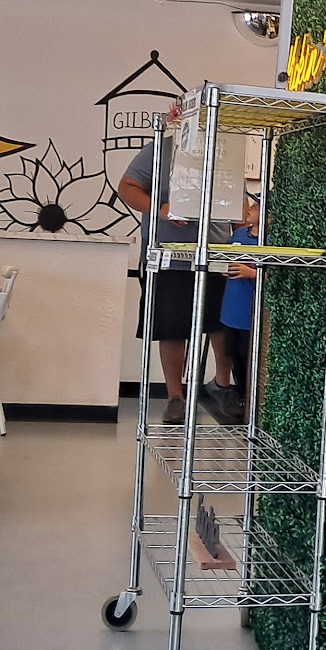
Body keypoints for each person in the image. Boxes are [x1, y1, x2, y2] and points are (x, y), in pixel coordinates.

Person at [117, 101, 226, 426]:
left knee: (221, 324)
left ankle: (223, 387)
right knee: (172, 327)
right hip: (168, 257)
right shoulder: (161, 148)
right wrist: (162, 210)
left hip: (215, 253)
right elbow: (127, 188)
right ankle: (175, 397)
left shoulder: (224, 151)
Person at [215, 197, 261, 422]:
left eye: (256, 207)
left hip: (250, 312)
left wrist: (253, 273)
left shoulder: (270, 241)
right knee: (235, 355)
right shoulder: (239, 235)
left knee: (251, 356)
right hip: (231, 310)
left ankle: (253, 401)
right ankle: (241, 395)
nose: (250, 209)